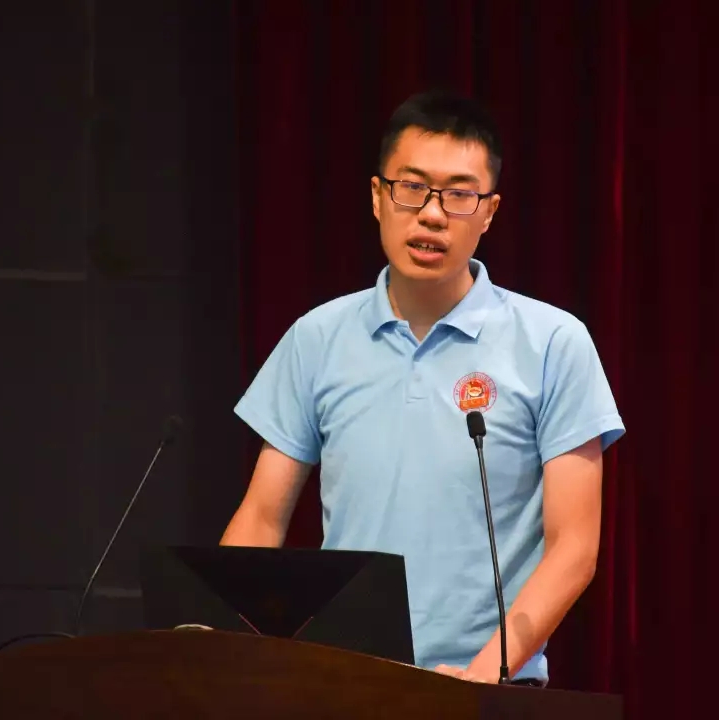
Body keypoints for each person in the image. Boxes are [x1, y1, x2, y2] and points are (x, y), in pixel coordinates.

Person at [220, 90, 625, 686]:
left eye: (460, 195)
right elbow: (260, 520)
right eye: (411, 187)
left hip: (489, 691)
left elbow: (574, 549)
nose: (432, 215)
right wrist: (222, 656)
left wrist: (483, 678)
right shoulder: (317, 337)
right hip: (341, 684)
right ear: (378, 196)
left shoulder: (552, 343)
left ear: (489, 213)